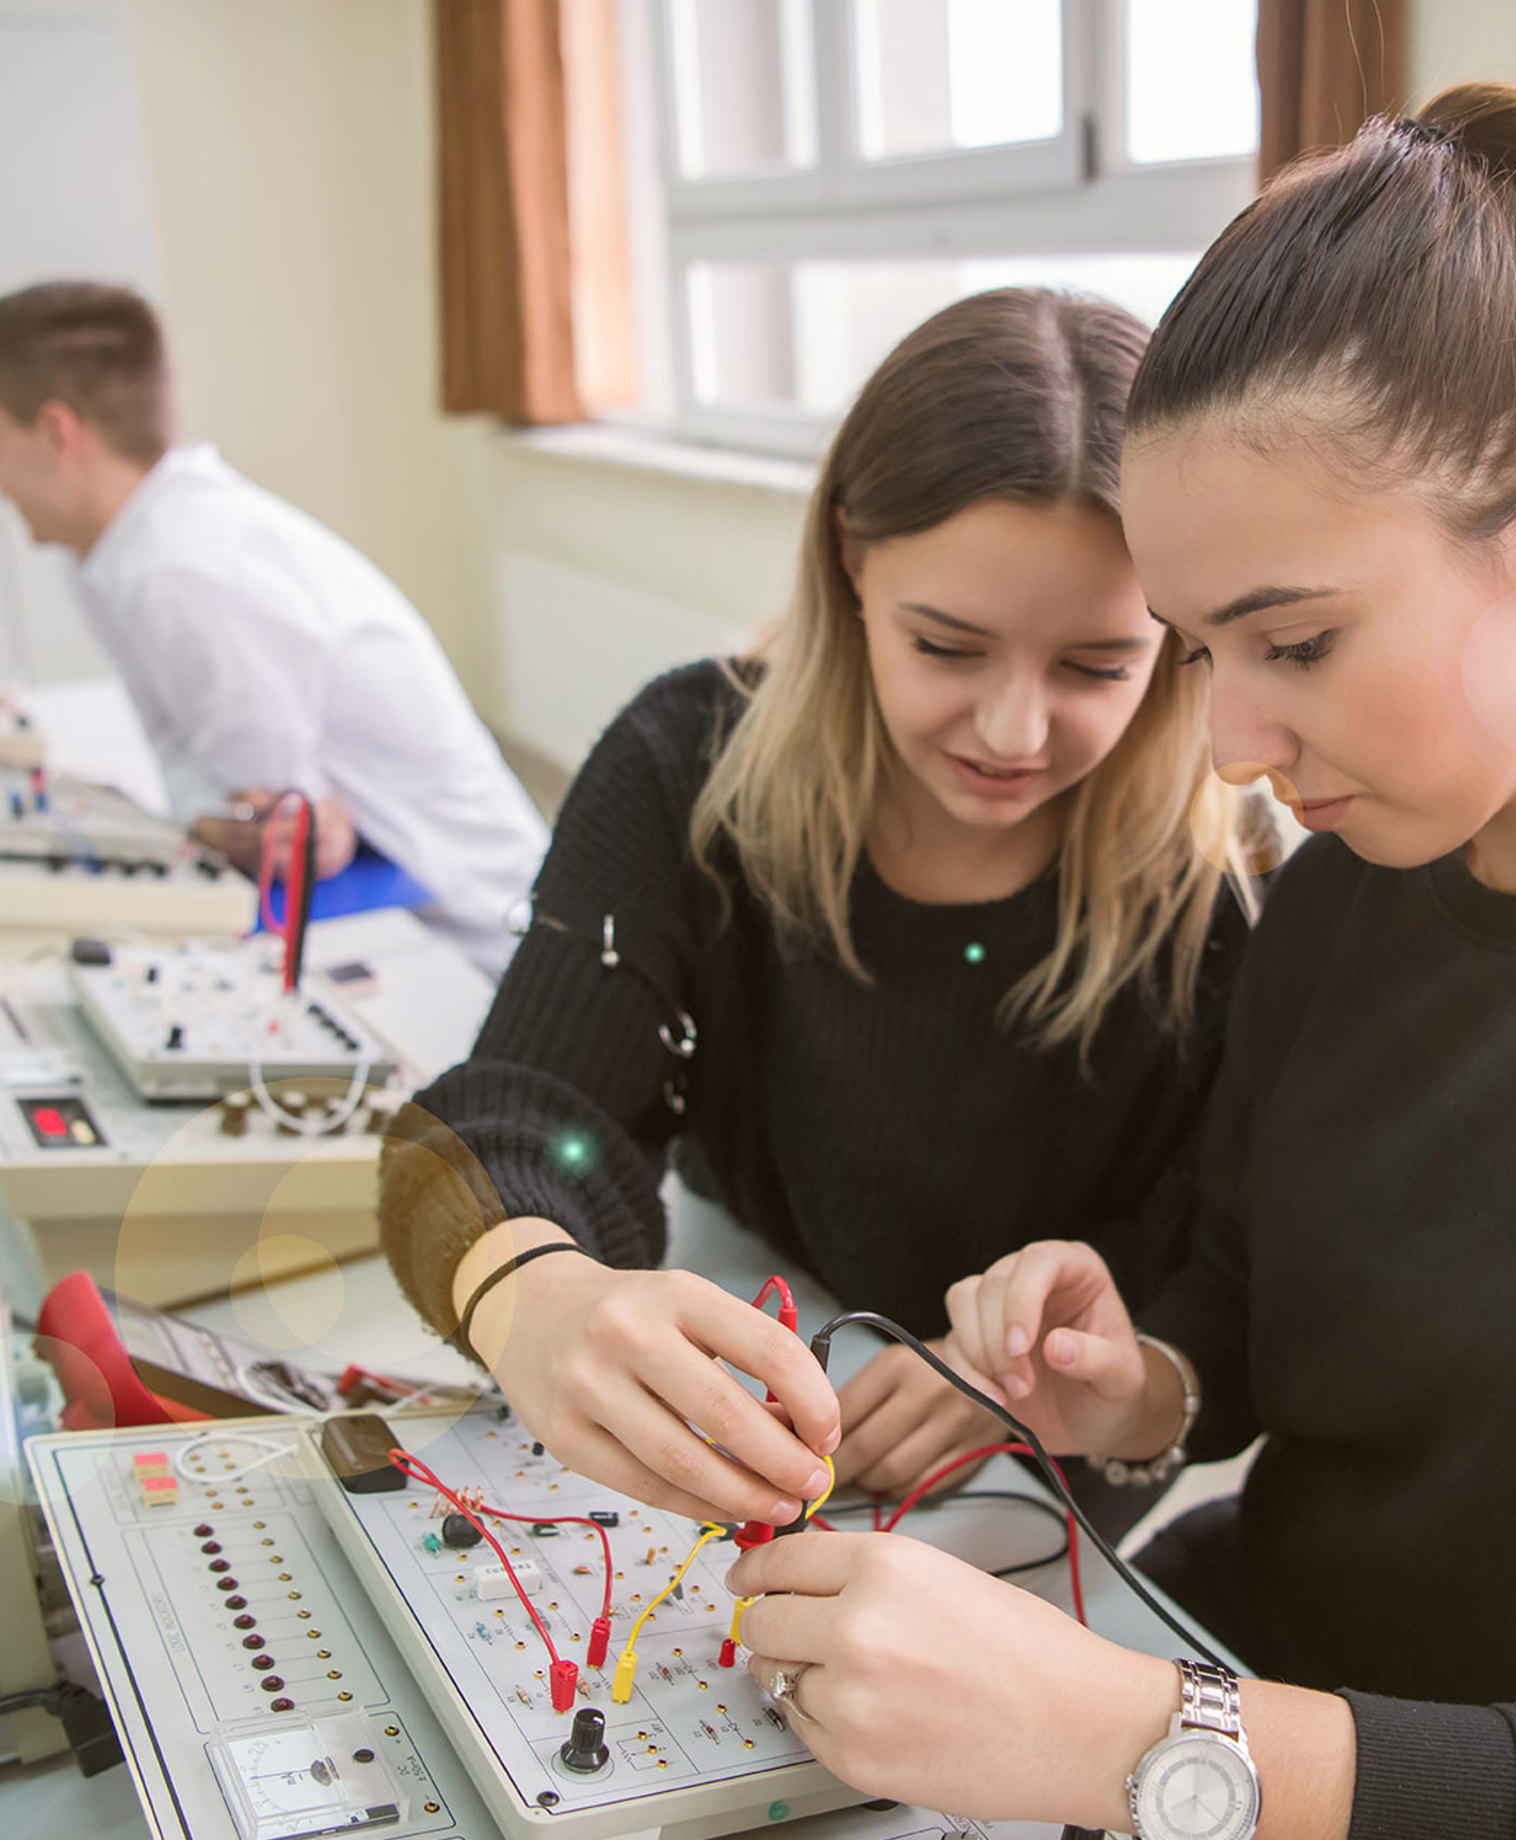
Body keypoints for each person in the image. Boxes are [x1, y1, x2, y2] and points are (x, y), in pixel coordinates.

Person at [710, 85, 1516, 1840]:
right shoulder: (1348, 897)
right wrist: (1136, 1376)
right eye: (1198, 658)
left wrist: (1141, 1737)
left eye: (1294, 646)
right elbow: (1251, 1316)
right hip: (1239, 1699)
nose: (1225, 752)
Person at [380, 289, 1260, 1512]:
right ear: (851, 558)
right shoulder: (688, 768)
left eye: (1097, 667)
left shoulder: (1221, 901)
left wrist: (1041, 1372)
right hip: (754, 1348)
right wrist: (535, 1290)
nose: (1014, 734)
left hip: (1022, 1503)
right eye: (947, 647)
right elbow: (503, 1127)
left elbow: (1207, 1309)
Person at [0, 281, 548, 974]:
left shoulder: (183, 571)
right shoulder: (111, 556)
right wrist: (208, 819)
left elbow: (276, 830)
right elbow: (198, 781)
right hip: (391, 898)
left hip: (473, 943)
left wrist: (218, 821)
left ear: (56, 433)